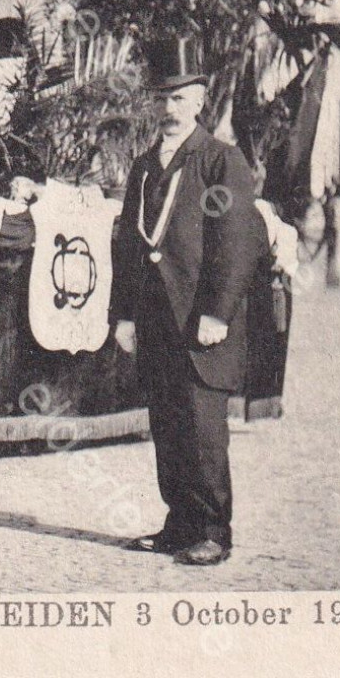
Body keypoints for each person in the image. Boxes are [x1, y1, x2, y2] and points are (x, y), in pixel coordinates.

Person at [110, 38, 268, 567]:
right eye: (161, 98)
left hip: (200, 322)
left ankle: (214, 532)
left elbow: (237, 242)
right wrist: (124, 314)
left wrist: (218, 313)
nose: (169, 108)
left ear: (201, 99)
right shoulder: (143, 167)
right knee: (168, 427)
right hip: (156, 321)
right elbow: (129, 246)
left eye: (180, 97)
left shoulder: (221, 162)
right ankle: (178, 525)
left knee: (203, 431)